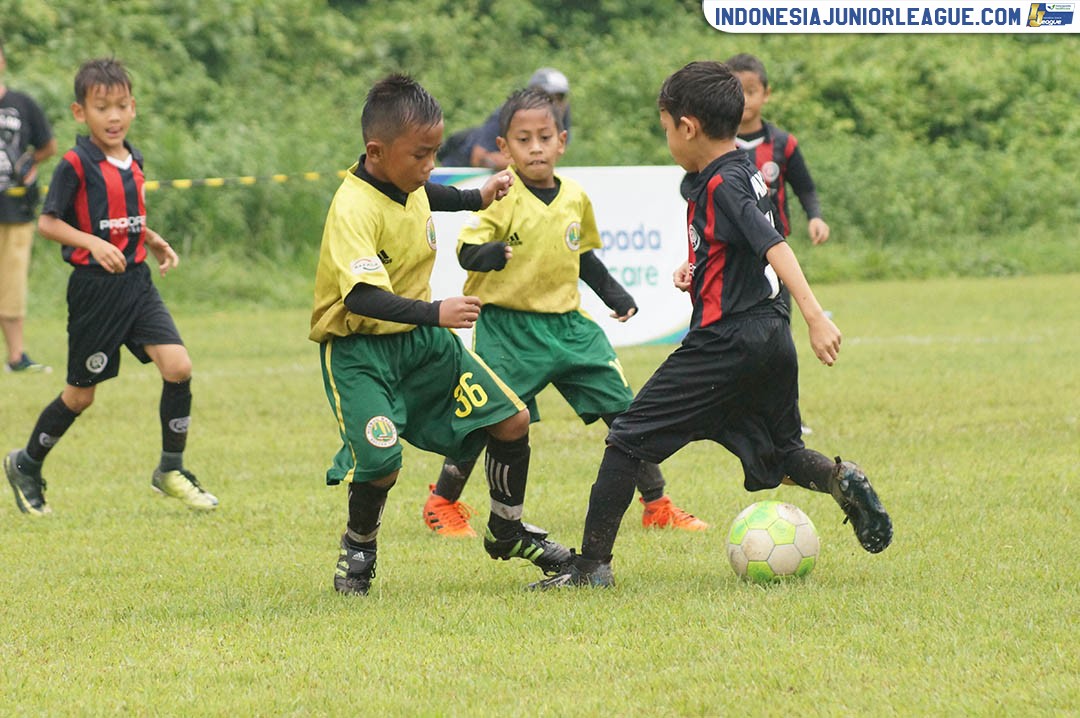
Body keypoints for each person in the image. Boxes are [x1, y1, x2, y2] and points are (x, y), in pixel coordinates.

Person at [531, 61, 892, 590]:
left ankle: (591, 567)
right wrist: (696, 266)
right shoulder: (742, 169)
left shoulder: (723, 185)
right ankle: (839, 480)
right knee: (783, 451)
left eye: (666, 129)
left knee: (627, 440)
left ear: (688, 127)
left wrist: (816, 314)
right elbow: (742, 245)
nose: (668, 141)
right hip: (770, 335)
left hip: (726, 342)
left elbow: (774, 245)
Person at [310, 74, 574, 596]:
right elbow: (360, 298)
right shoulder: (353, 207)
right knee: (381, 463)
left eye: (434, 151)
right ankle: (359, 547)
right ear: (376, 151)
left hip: (422, 345)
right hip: (361, 352)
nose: (430, 164)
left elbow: (429, 193)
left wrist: (477, 197)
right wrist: (436, 312)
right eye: (421, 154)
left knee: (512, 418)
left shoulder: (405, 182)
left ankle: (507, 529)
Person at [422, 87, 707, 540]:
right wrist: (491, 254)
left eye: (543, 137)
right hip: (508, 328)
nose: (535, 147)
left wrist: (616, 296)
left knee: (626, 411)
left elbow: (584, 258)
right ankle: (442, 501)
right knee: (489, 416)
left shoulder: (574, 196)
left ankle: (657, 504)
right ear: (504, 148)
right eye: (522, 139)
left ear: (562, 141)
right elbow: (465, 251)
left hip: (570, 327)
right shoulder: (502, 196)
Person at [4, 58, 217, 516]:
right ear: (81, 112)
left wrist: (155, 241)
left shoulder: (134, 158)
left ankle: (170, 468)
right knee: (81, 395)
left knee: (178, 366)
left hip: (137, 284)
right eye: (102, 107)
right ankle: (26, 463)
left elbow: (128, 218)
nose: (114, 116)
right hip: (95, 293)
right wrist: (92, 244)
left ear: (133, 108)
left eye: (121, 106)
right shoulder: (75, 164)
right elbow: (47, 223)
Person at [725, 53, 829, 246]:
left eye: (751, 91)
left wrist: (815, 217)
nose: (744, 99)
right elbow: (692, 186)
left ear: (766, 94)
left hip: (774, 243)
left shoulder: (783, 143)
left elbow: (805, 188)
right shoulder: (716, 144)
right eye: (737, 92)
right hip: (731, 244)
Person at [0, 39, 57, 373]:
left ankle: (16, 356)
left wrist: (29, 162)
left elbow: (48, 145)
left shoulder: (22, 104)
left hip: (16, 211)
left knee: (12, 283)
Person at [437, 67, 572, 170]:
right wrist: (527, 161)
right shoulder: (510, 113)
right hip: (461, 165)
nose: (554, 103)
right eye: (545, 96)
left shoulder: (562, 111)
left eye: (561, 97)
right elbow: (479, 158)